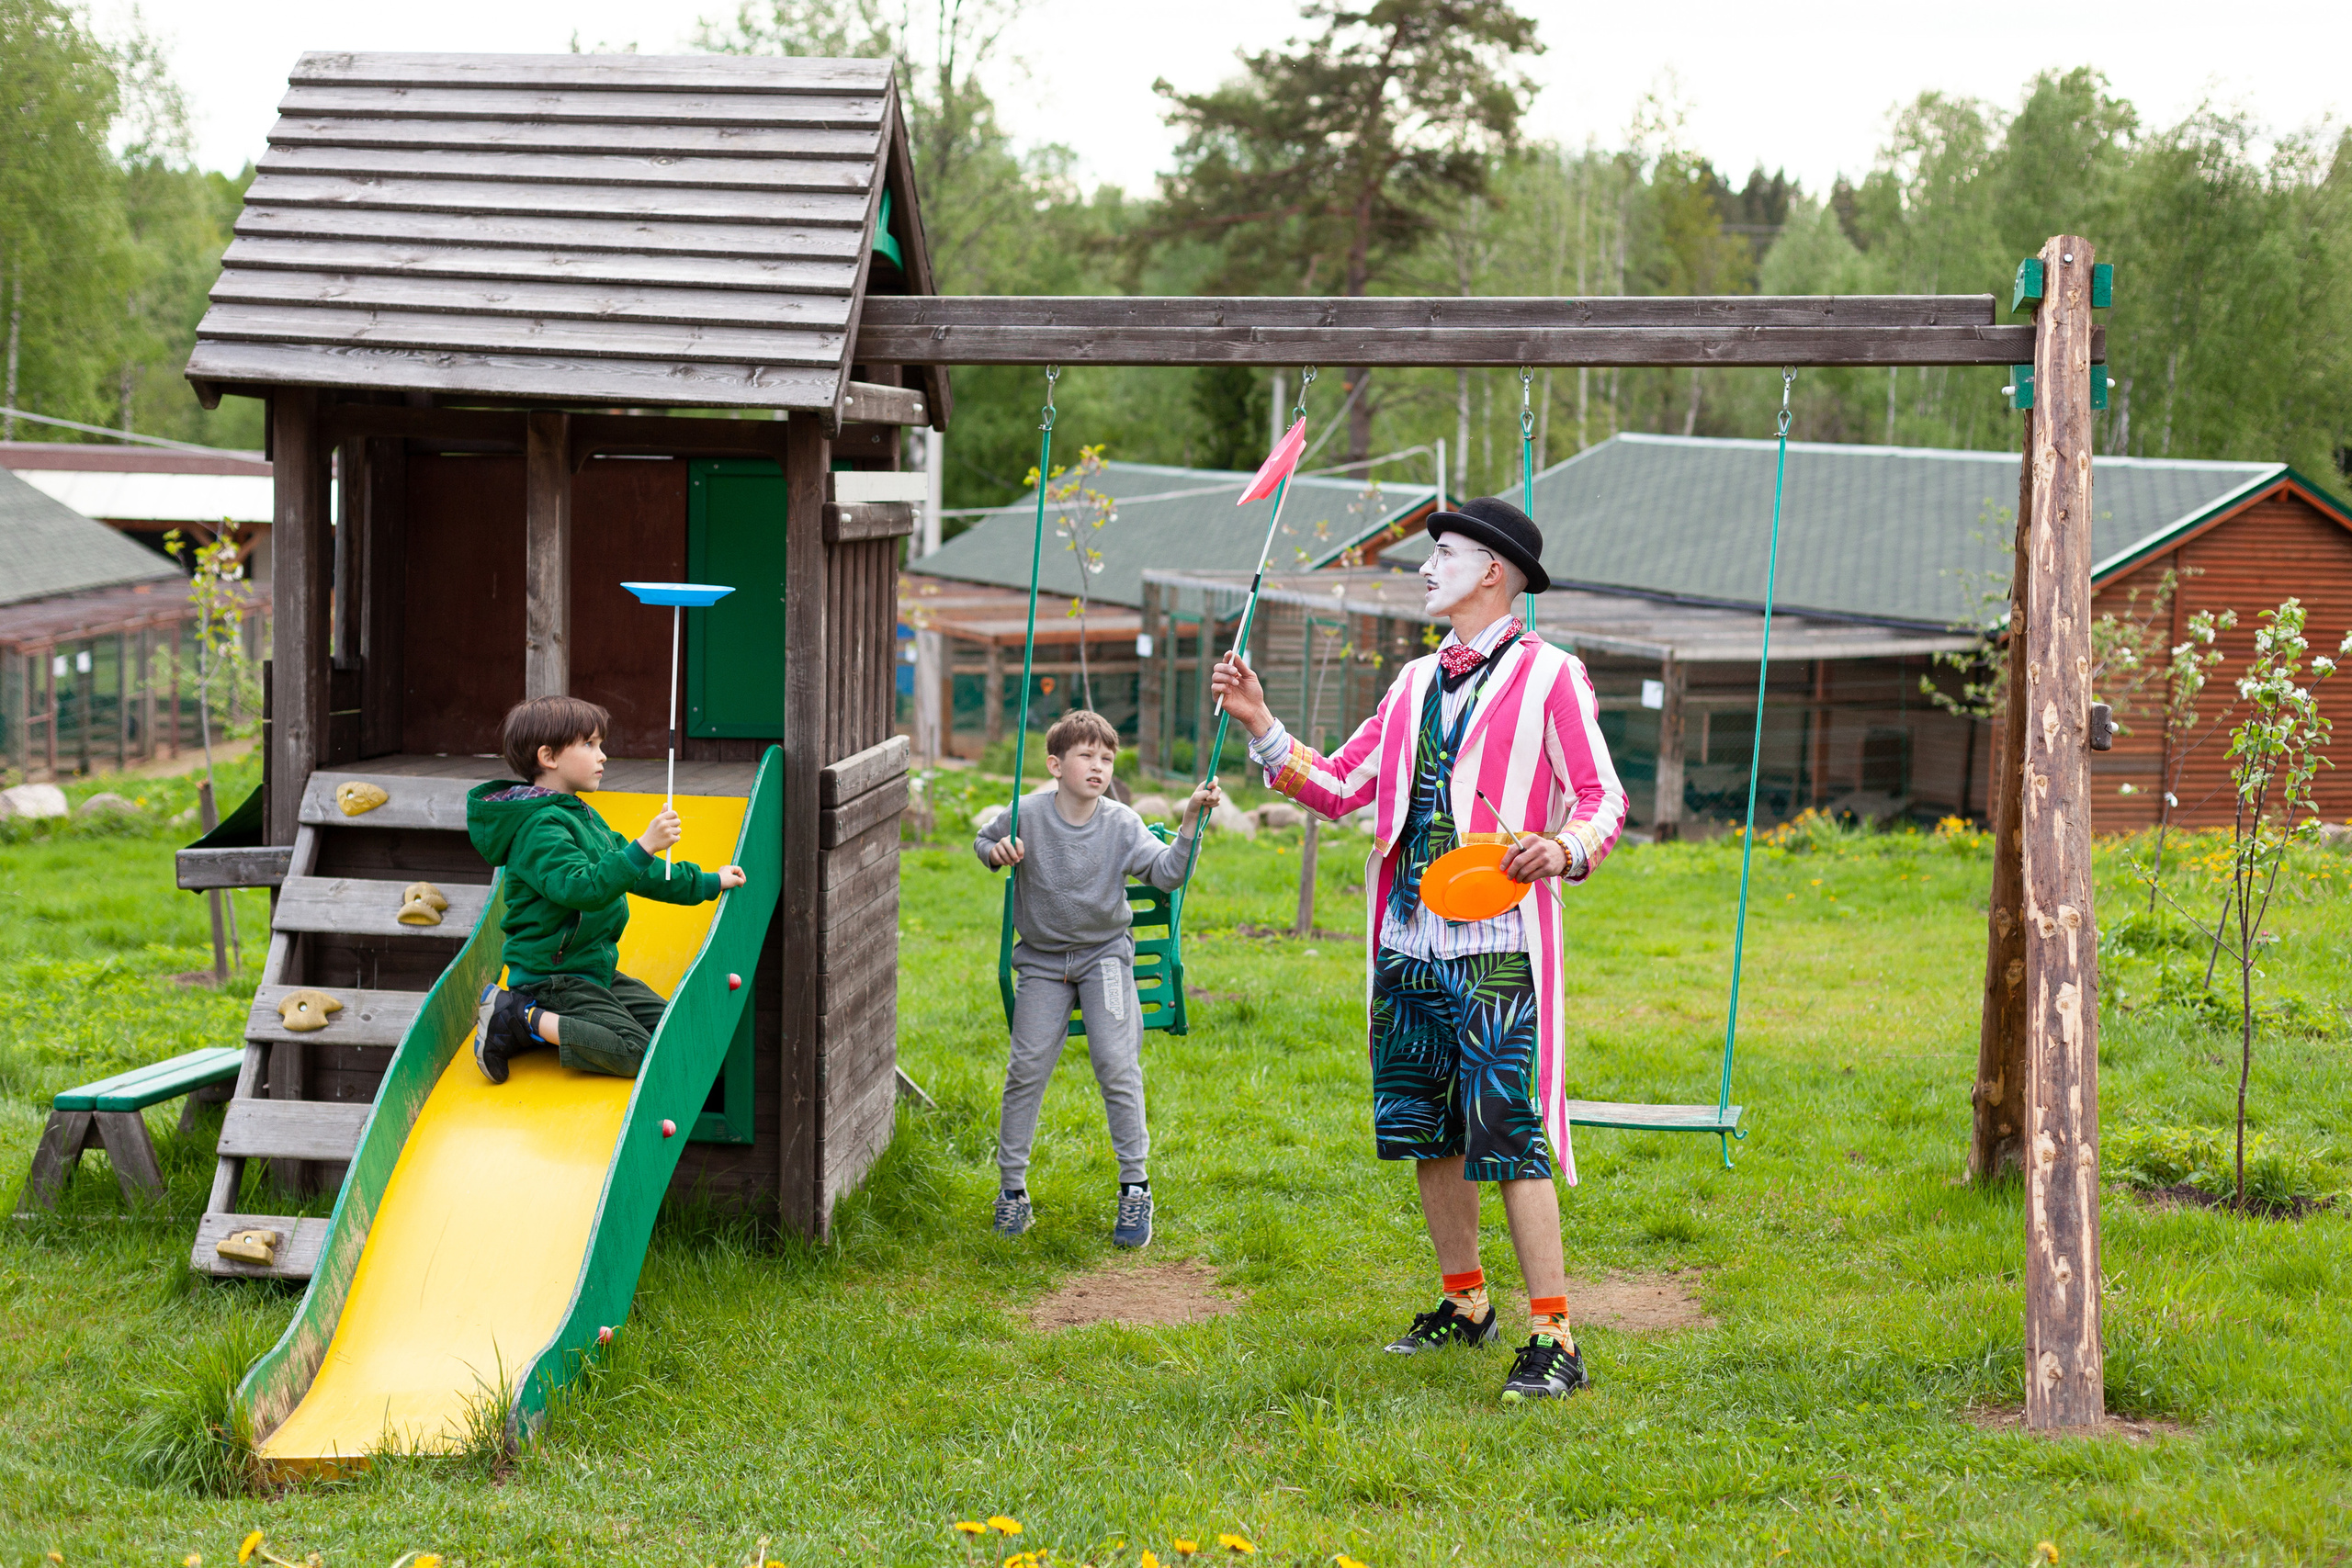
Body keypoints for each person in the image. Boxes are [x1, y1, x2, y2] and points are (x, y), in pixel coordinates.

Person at [1210, 496, 1627, 1403]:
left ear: (1492, 572)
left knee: (1508, 1136)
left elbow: (1603, 798)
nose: (1424, 568)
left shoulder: (1552, 676)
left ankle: (1554, 1335)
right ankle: (1465, 1303)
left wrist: (1562, 850)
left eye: (1444, 553)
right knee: (1426, 1130)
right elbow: (1340, 786)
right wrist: (1258, 723)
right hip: (1406, 943)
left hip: (1500, 948)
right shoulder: (1408, 685)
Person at [976, 709, 1222, 1248]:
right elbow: (984, 841)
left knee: (1116, 1064)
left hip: (1105, 958)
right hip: (1041, 962)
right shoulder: (1028, 813)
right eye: (1086, 755)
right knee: (1026, 1068)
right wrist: (996, 852)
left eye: (1106, 758)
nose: (1098, 766)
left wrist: (1187, 824)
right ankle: (1012, 1191)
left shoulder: (1121, 823)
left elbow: (1167, 873)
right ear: (1055, 763)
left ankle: (1135, 1187)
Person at [466, 695, 747, 1084]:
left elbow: (638, 872)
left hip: (592, 970)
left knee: (675, 1031)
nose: (603, 756)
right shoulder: (538, 829)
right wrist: (644, 845)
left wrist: (709, 881)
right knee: (636, 1053)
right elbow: (582, 888)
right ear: (548, 756)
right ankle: (518, 1014)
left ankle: (539, 1031)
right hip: (552, 977)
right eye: (589, 744)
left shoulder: (580, 815)